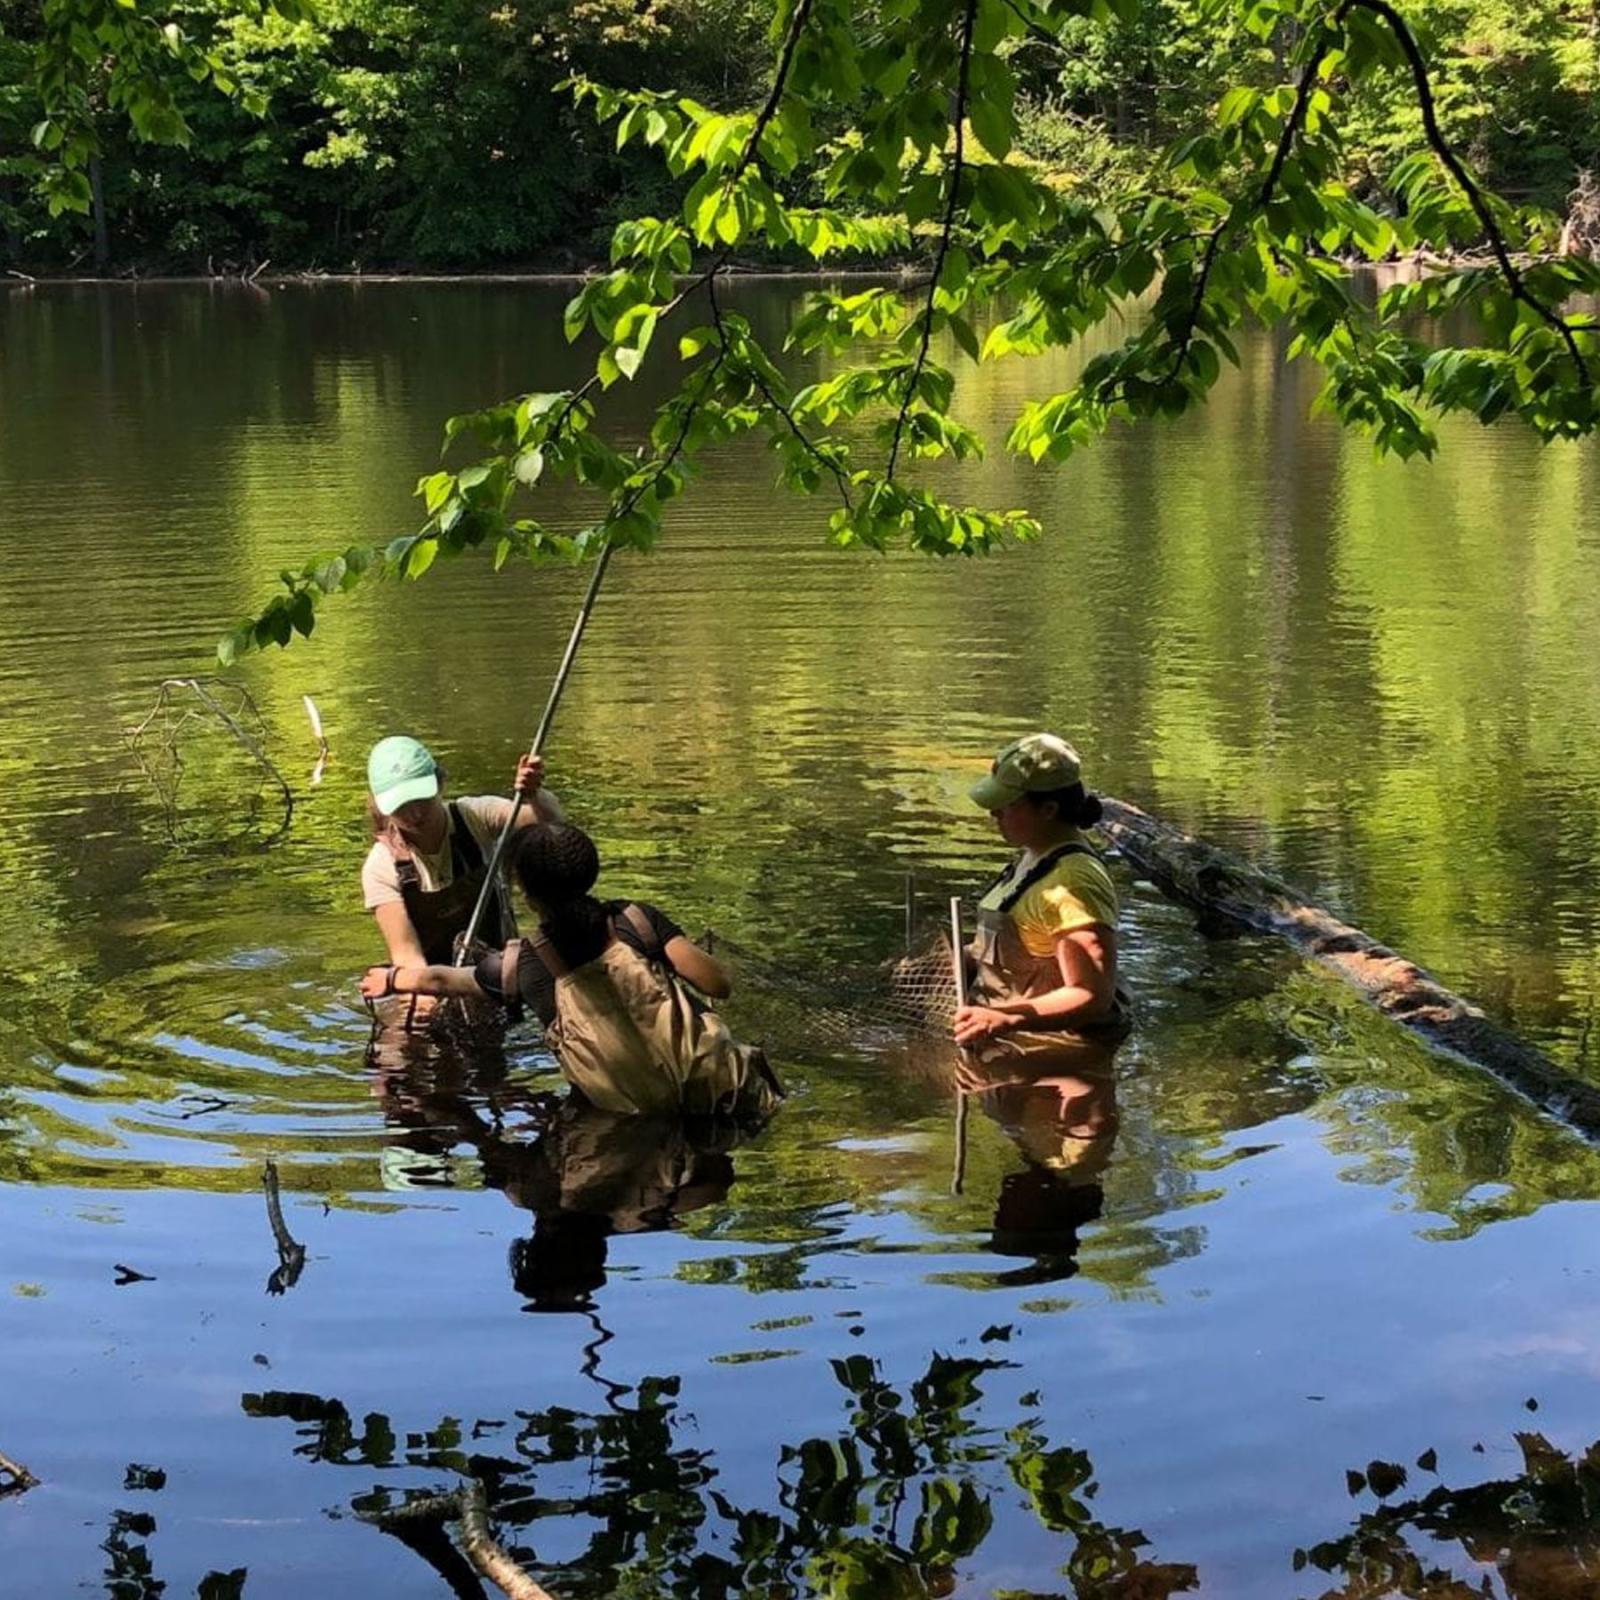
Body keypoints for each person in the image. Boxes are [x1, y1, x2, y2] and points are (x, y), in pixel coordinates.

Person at [360, 822, 782, 1121]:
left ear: (526, 894)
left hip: (635, 1120)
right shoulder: (638, 921)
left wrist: (392, 979)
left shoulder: (527, 965)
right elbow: (718, 985)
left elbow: (446, 981)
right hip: (732, 1093)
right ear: (590, 870)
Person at [955, 732, 1130, 1055]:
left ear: (1048, 809)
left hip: (1052, 1050)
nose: (994, 814)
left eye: (1006, 805)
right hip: (1004, 1043)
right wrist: (948, 961)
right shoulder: (1033, 855)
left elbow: (1091, 996)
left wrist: (1003, 1020)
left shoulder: (1073, 882)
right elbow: (1017, 948)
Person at [362, 735, 565, 979]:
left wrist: (534, 794)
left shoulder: (475, 816)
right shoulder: (380, 867)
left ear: (439, 785)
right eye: (400, 806)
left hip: (502, 971)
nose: (414, 814)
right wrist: (431, 996)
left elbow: (552, 823)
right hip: (432, 981)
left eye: (420, 800)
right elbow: (407, 957)